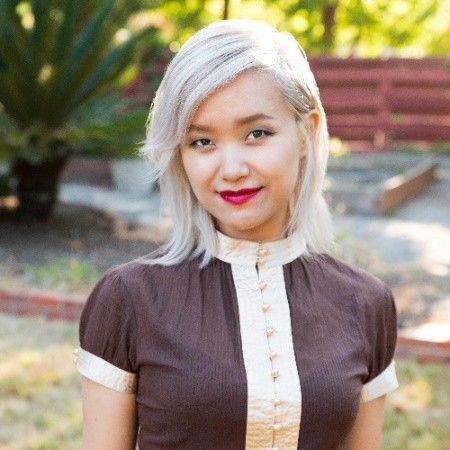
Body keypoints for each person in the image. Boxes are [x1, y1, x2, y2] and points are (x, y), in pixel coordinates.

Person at [75, 19, 398, 450]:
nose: (231, 169)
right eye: (202, 142)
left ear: (307, 132)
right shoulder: (128, 299)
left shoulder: (367, 304)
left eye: (256, 133)